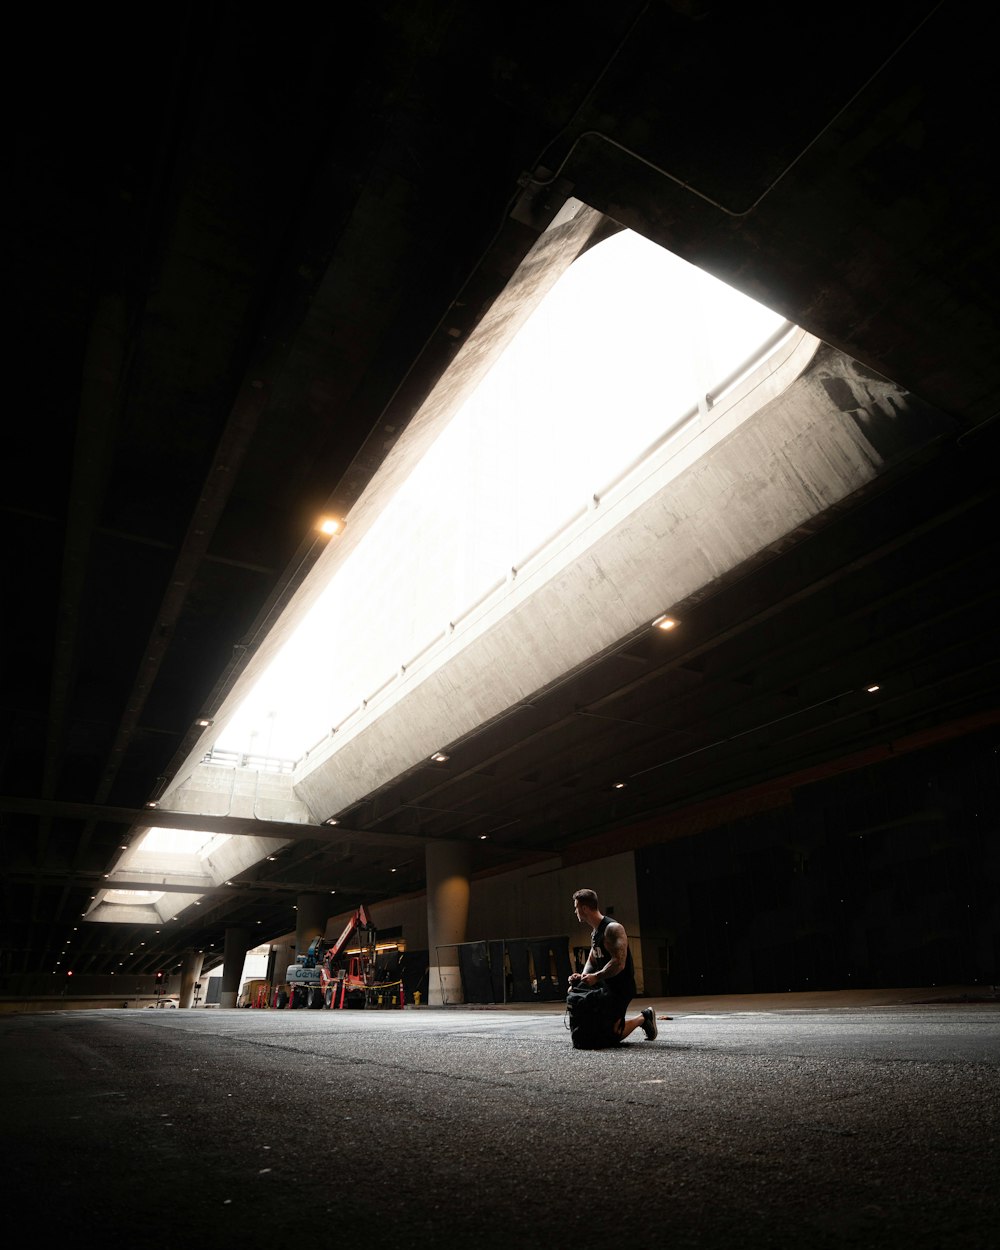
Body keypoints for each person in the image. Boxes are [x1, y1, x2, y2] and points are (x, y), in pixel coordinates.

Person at [568, 888, 657, 1046]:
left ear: (584, 909)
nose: (575, 911)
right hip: (605, 986)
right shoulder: (595, 933)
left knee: (612, 1035)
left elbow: (618, 962)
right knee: (577, 998)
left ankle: (644, 1017)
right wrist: (582, 977)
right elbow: (592, 960)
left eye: (576, 907)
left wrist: (596, 977)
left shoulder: (613, 929)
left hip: (620, 988)